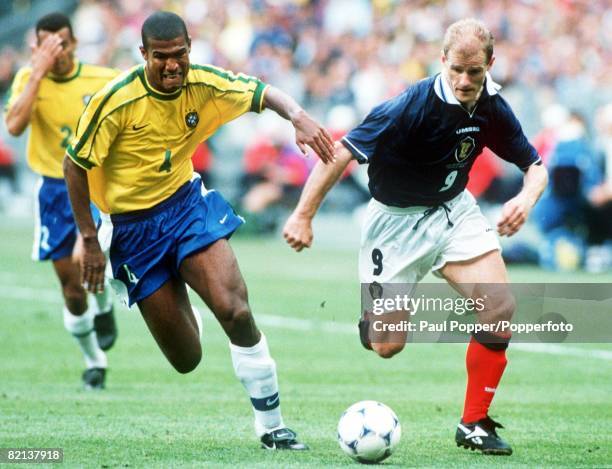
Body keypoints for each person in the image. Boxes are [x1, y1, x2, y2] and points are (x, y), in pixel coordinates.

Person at [63, 11, 334, 450]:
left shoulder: (204, 82)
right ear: (144, 55)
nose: (173, 66)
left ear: (191, 48)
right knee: (187, 359)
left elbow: (262, 93)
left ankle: (272, 426)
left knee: (236, 310)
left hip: (186, 206)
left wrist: (298, 116)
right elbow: (73, 166)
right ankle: (182, 297)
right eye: (161, 57)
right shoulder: (115, 100)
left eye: (180, 55)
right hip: (131, 230)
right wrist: (91, 242)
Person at [283, 18, 548, 455]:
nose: (465, 82)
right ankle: (372, 321)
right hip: (395, 224)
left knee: (500, 307)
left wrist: (525, 200)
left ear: (490, 65)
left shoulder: (493, 107)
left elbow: (535, 166)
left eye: (475, 73)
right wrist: (302, 216)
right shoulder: (407, 107)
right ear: (442, 60)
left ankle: (474, 423)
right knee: (387, 346)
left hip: (454, 213)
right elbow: (339, 154)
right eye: (457, 70)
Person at [4, 12, 119, 390]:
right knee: (71, 289)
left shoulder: (101, 78)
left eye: (64, 44)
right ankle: (94, 361)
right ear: (37, 48)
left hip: (95, 186)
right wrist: (36, 72)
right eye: (49, 46)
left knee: (81, 258)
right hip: (53, 190)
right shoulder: (28, 79)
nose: (60, 52)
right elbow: (15, 126)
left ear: (74, 43)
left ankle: (104, 309)